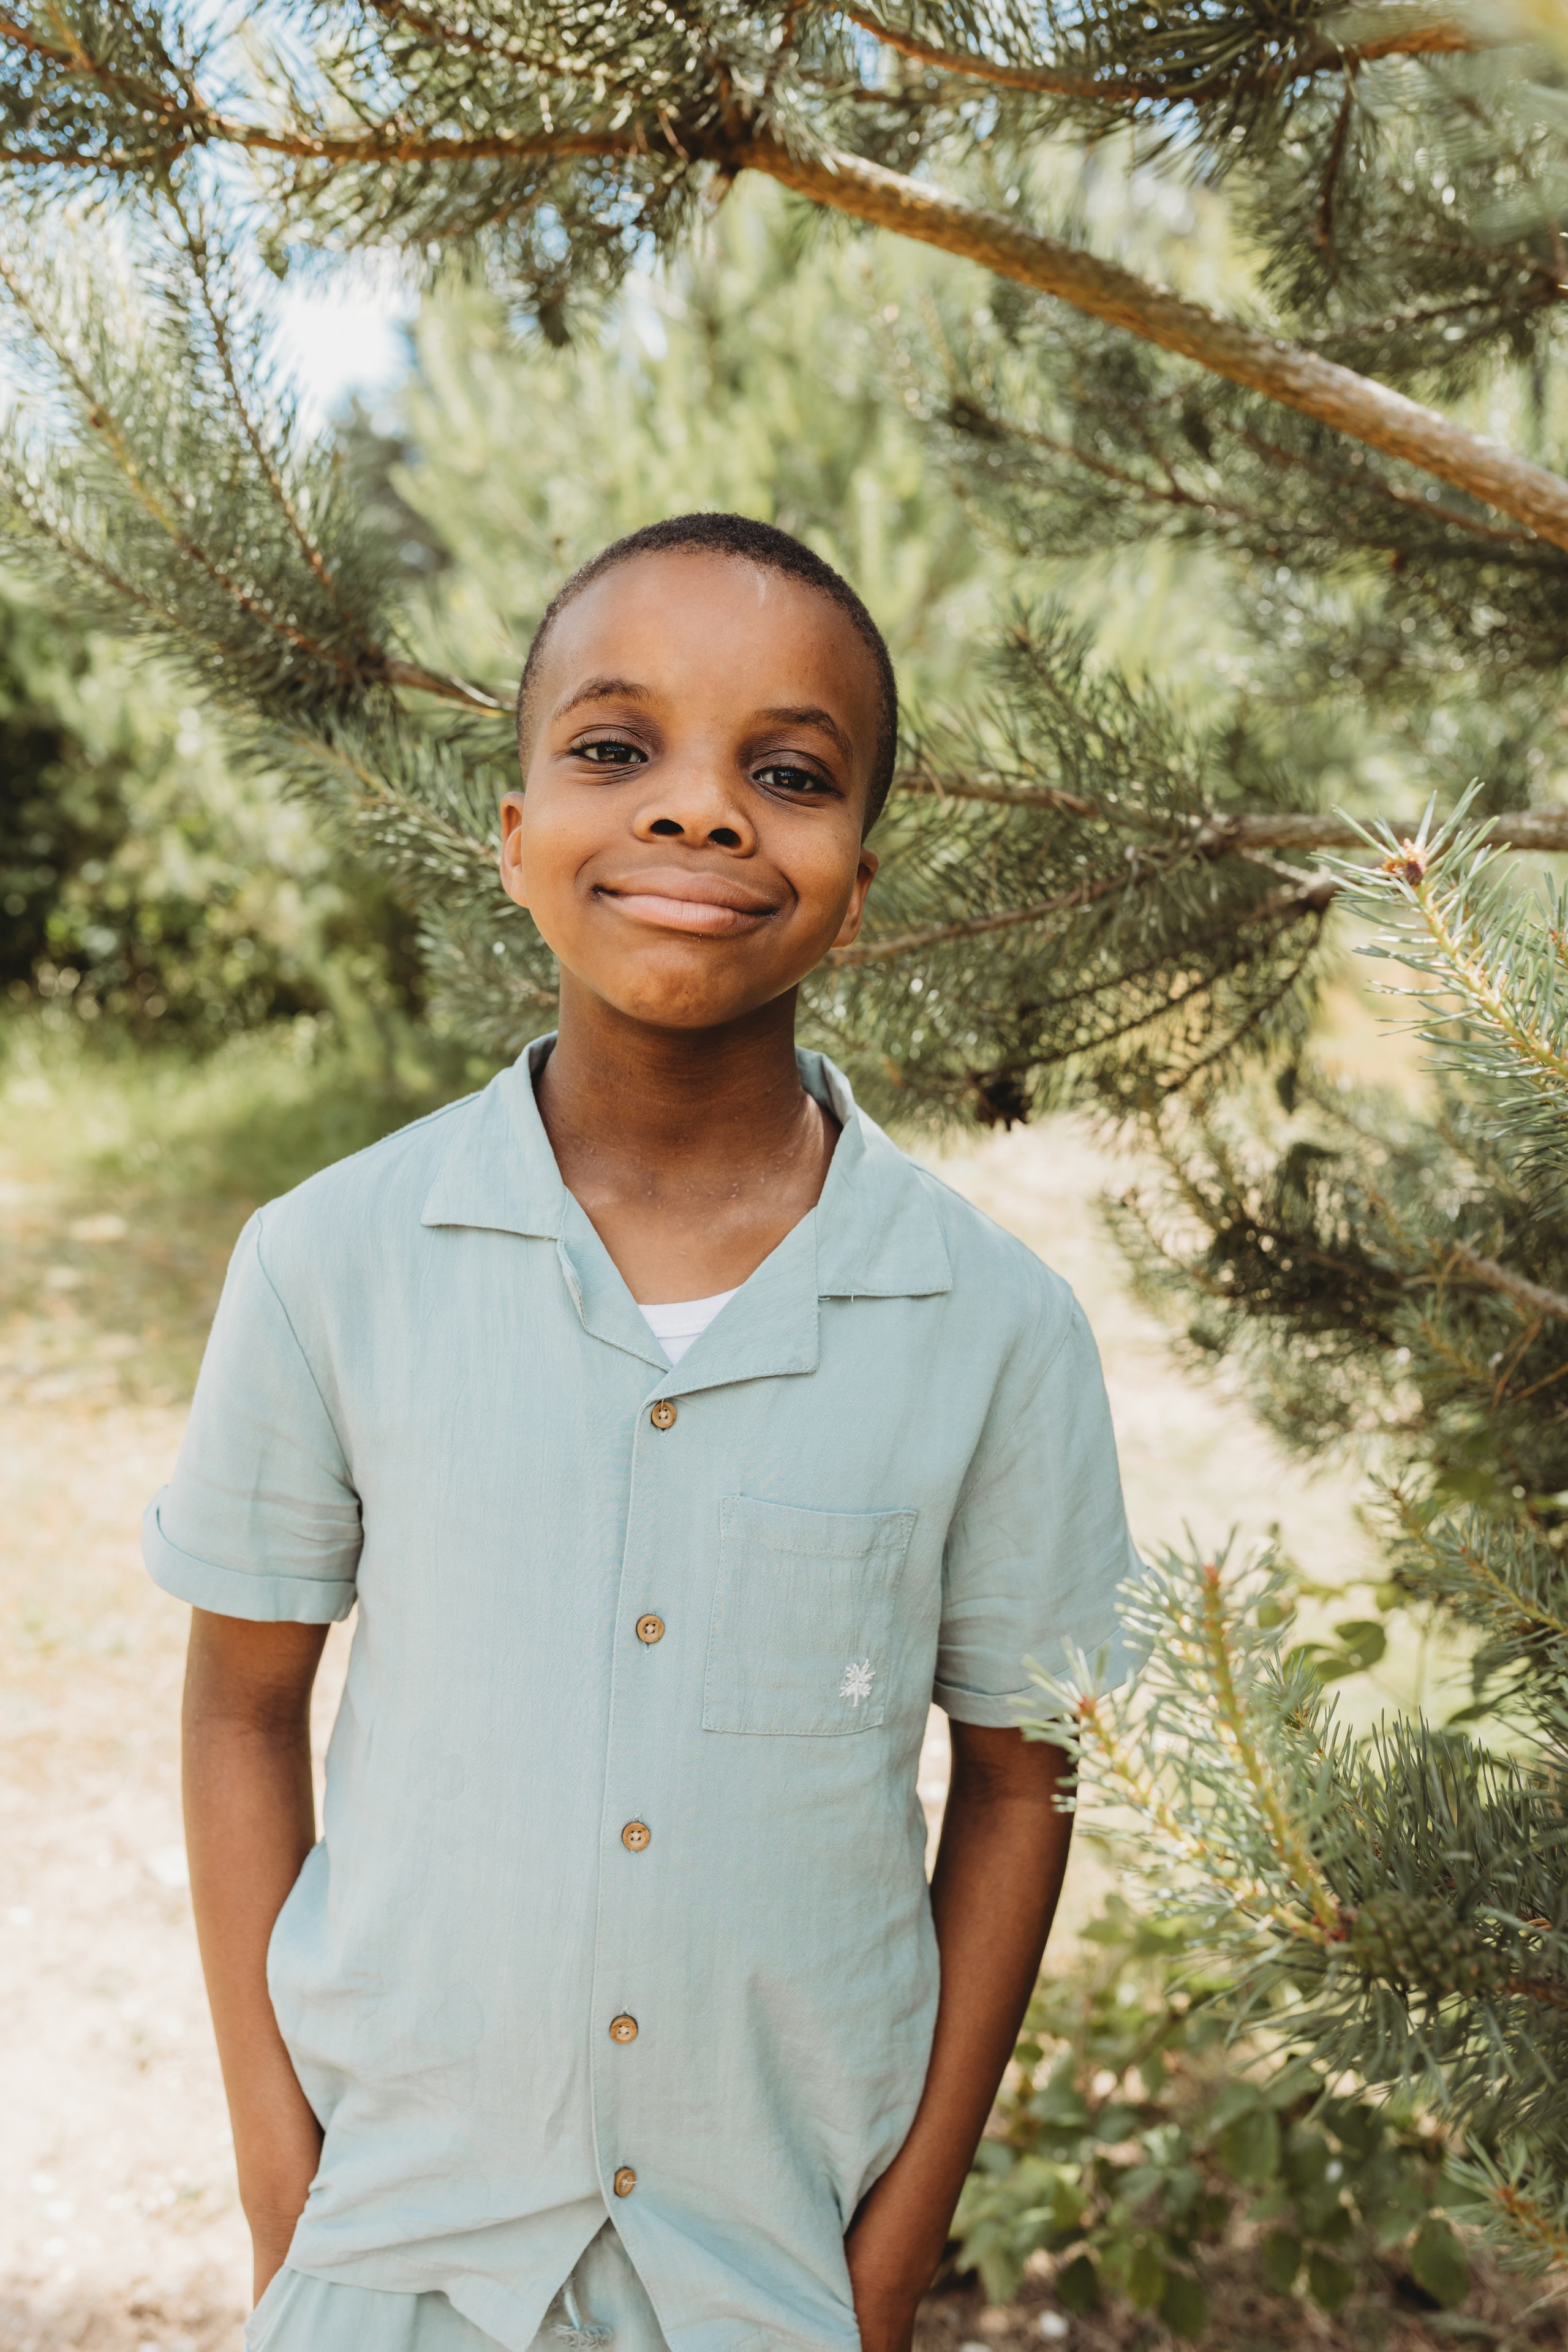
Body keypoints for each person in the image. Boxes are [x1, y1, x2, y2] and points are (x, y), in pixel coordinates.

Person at [148, 513, 1142, 2352]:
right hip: (394, 2259)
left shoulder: (996, 1331)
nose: (698, 813)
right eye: (617, 752)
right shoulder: (327, 1265)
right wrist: (283, 2192)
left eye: (788, 771)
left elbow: (1020, 1779)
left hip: (770, 2276)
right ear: (514, 829)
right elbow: (238, 1705)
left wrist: (894, 2256)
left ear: (861, 877)